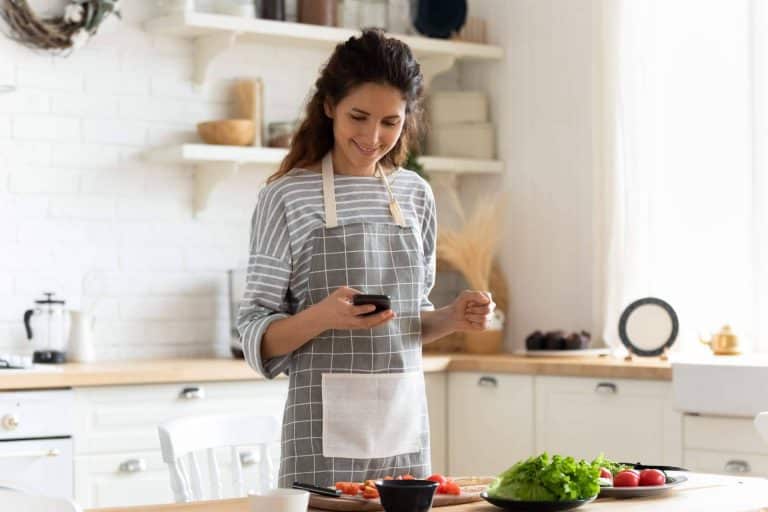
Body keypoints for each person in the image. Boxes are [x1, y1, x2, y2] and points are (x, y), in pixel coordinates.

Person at [237, 29, 496, 488]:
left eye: (390, 122)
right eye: (359, 116)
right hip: (319, 438)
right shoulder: (286, 196)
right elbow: (257, 333)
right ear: (329, 106)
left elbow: (408, 325)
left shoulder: (415, 195)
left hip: (403, 431)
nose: (373, 137)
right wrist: (322, 316)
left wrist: (453, 317)